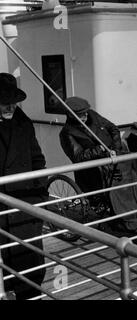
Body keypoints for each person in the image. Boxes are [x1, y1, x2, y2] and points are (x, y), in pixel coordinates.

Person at [59, 96, 137, 233]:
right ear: (70, 114)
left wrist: (115, 150)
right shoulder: (66, 133)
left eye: (85, 113)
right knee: (116, 185)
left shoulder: (93, 116)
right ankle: (124, 219)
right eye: (80, 115)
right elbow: (79, 157)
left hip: (112, 160)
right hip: (93, 170)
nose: (85, 116)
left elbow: (113, 129)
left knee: (131, 173)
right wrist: (100, 149)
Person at [0, 72, 47, 299]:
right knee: (6, 261)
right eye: (4, 103)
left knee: (30, 258)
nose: (10, 107)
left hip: (26, 201)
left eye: (13, 102)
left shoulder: (23, 123)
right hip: (2, 206)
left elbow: (38, 158)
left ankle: (30, 292)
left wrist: (40, 195)